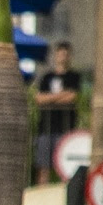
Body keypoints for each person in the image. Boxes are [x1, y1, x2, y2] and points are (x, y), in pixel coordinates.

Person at [32, 41, 82, 177]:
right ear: (56, 56)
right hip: (46, 128)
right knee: (43, 165)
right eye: (60, 54)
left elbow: (72, 97)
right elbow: (39, 99)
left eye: (66, 54)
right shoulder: (47, 77)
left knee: (65, 166)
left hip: (65, 128)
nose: (63, 57)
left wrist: (51, 98)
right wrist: (61, 95)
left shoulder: (73, 76)